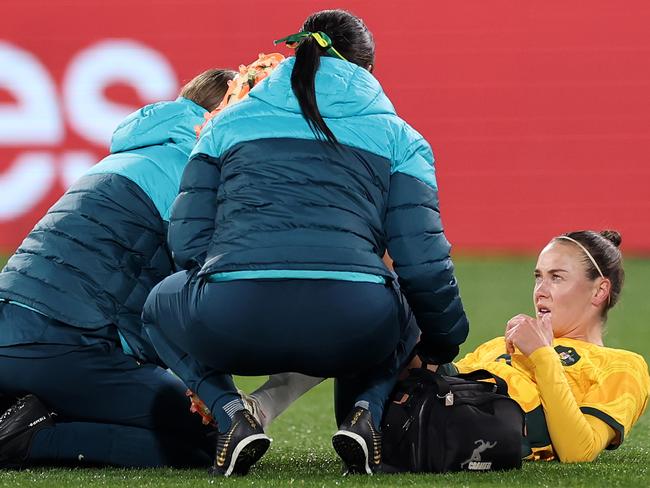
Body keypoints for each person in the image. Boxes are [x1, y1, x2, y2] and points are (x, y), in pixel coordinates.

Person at [142, 9, 469, 477]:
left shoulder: (223, 126)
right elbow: (424, 265)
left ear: (294, 53)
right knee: (405, 294)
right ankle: (366, 414)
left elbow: (187, 241)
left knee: (159, 302)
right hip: (352, 325)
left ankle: (231, 412)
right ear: (368, 71)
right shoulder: (402, 139)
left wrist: (234, 281)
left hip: (232, 319)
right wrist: (441, 345)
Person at [0, 69, 237, 468]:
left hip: (21, 335)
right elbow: (207, 298)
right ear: (221, 118)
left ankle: (31, 415)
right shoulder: (196, 172)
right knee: (214, 436)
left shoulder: (128, 156)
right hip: (64, 345)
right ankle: (29, 439)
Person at [450, 230, 649, 462]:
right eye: (538, 277)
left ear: (599, 291)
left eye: (556, 277)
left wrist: (542, 355)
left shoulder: (621, 367)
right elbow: (442, 380)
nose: (540, 292)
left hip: (461, 430)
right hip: (430, 411)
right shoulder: (500, 345)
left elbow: (579, 450)